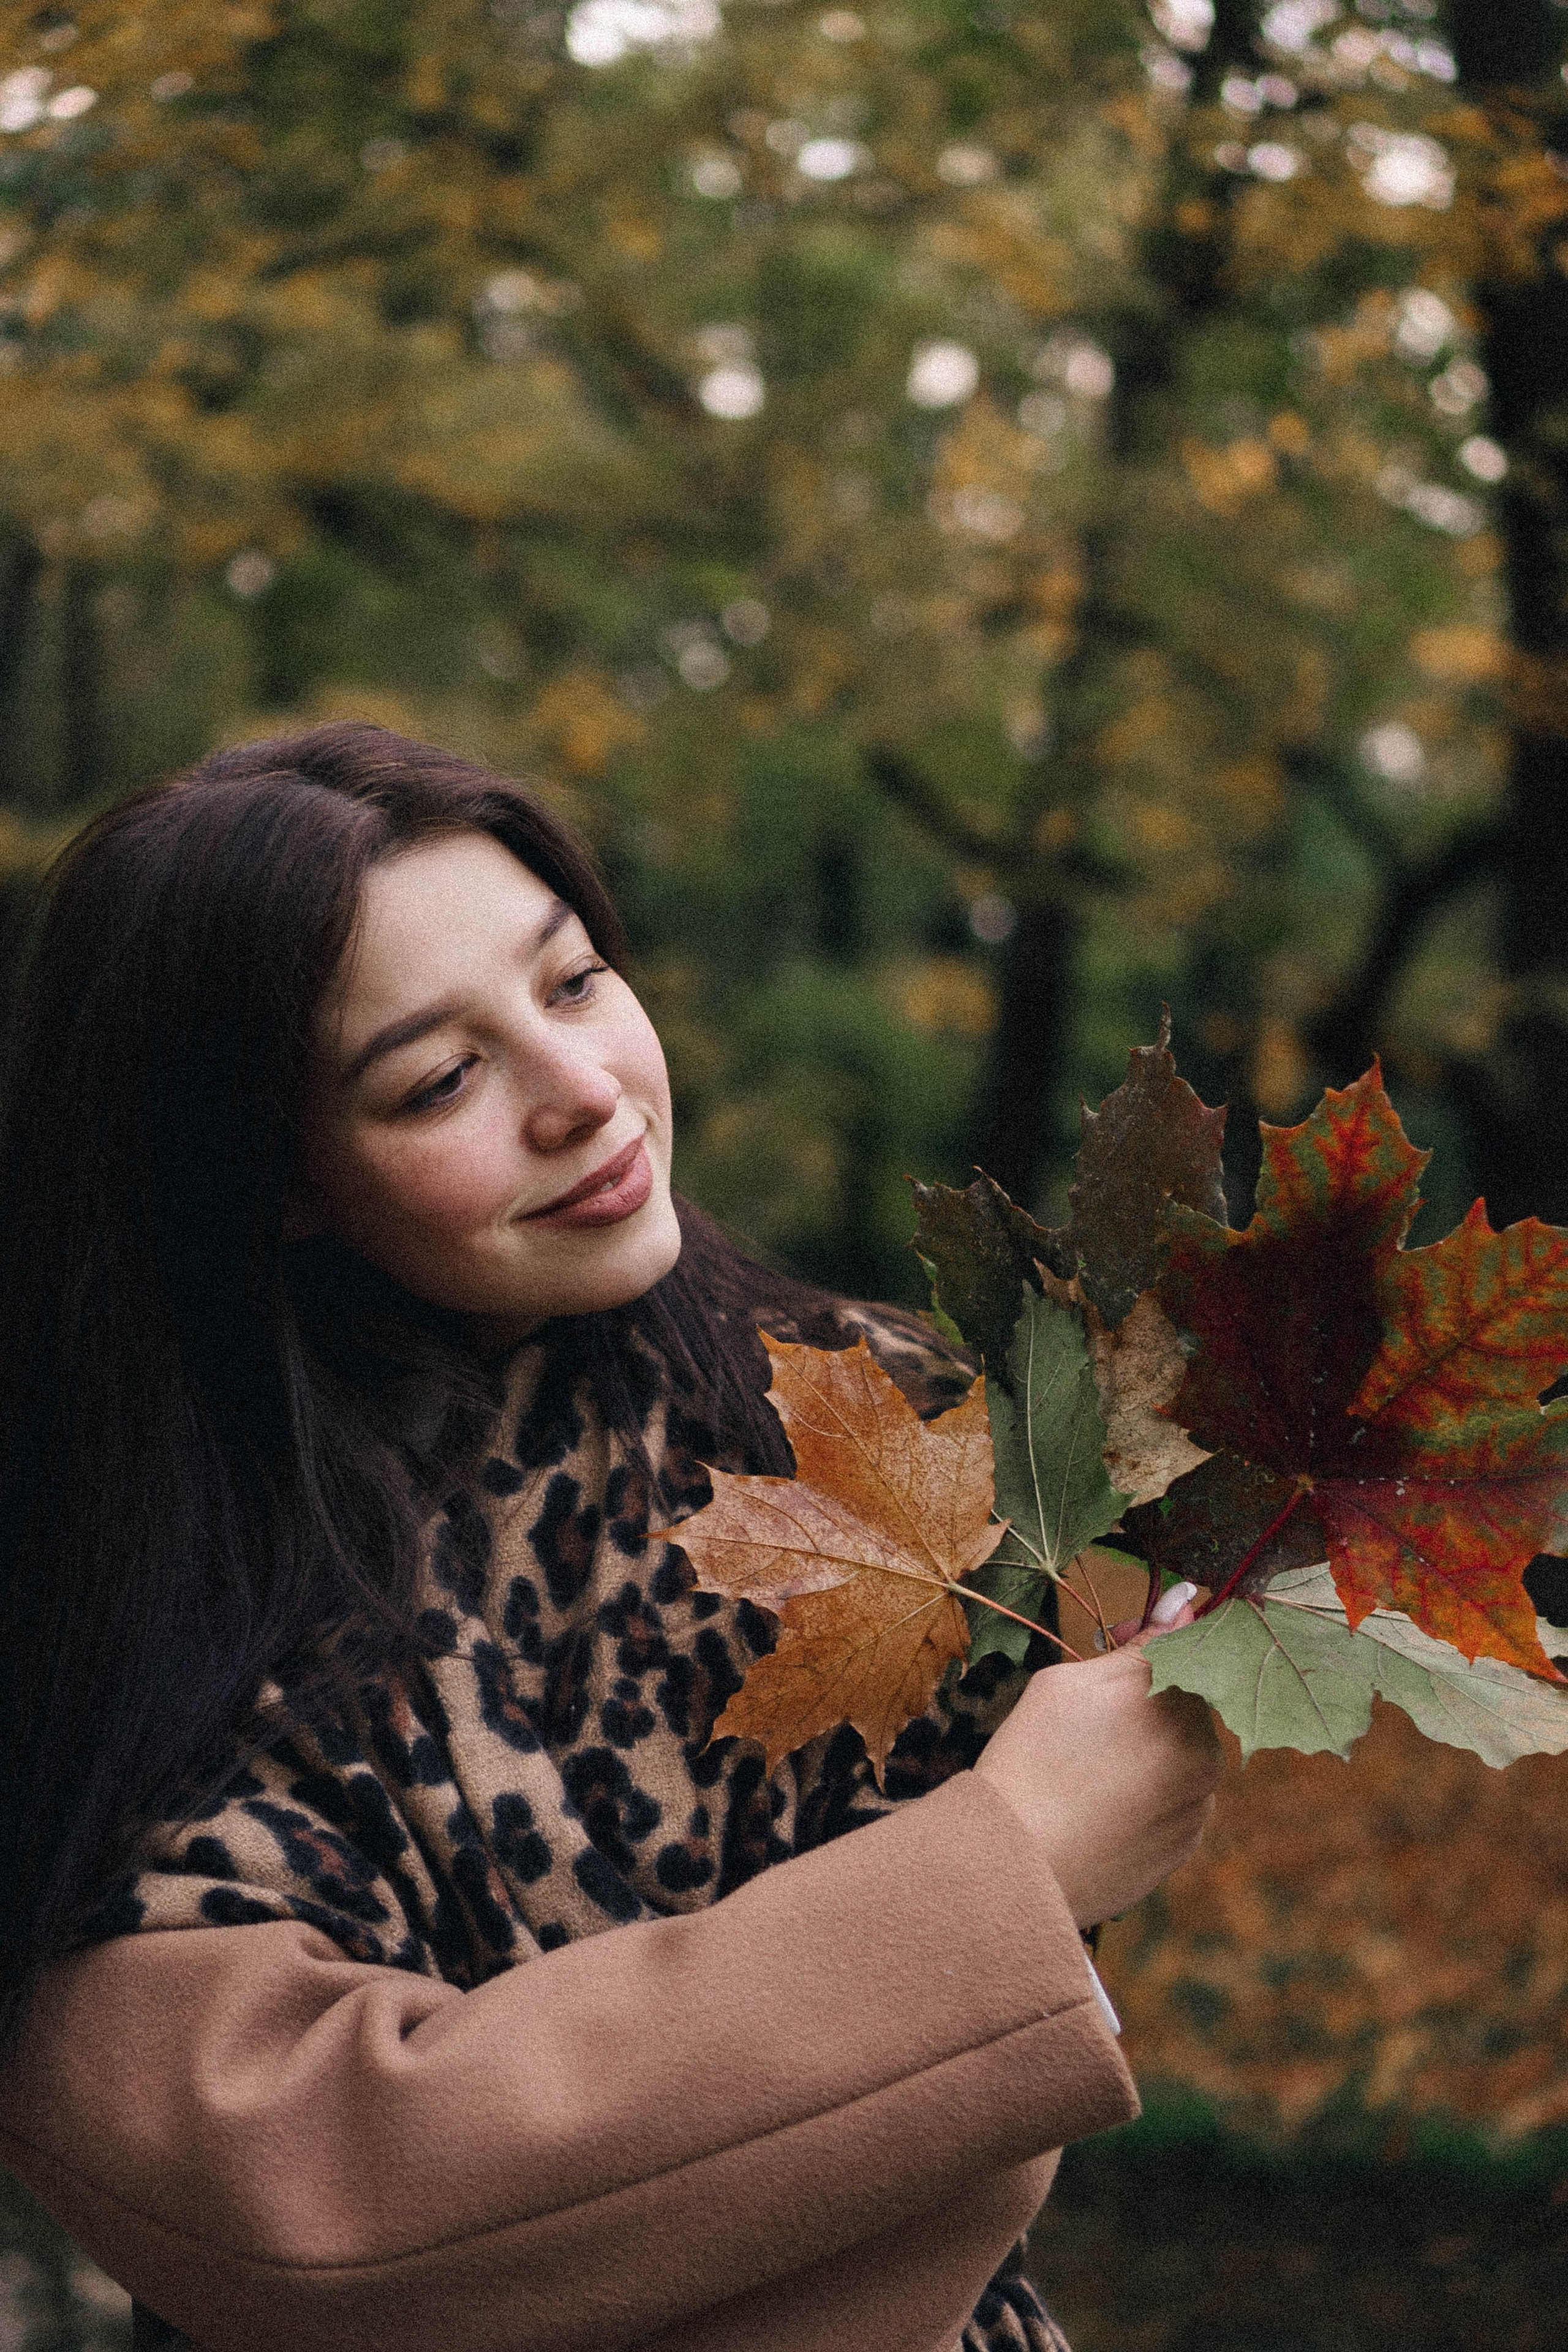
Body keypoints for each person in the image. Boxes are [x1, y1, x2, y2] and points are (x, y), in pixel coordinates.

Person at [0, 723, 1221, 2352]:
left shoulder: (889, 1428)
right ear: (269, 1179)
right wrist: (1010, 1870)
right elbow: (319, 2214)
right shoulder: (137, 1617)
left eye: (572, 983)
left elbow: (976, 2159)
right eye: (441, 1078)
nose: (582, 1092)